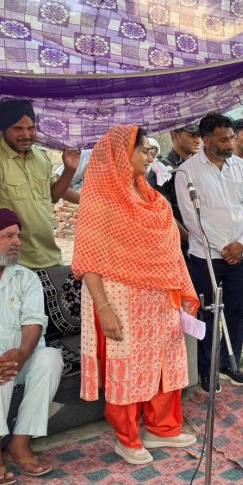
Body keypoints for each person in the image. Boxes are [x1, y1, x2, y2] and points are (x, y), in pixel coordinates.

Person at [73, 126, 199, 465]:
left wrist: (184, 291)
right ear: (119, 154)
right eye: (143, 150)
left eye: (151, 151)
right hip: (119, 300)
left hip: (159, 299)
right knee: (128, 371)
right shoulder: (98, 198)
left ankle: (161, 428)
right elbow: (88, 260)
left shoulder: (153, 198)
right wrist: (103, 309)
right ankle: (126, 438)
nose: (149, 156)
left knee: (165, 363)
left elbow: (171, 252)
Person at [0, 210, 63, 485]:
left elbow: (33, 322)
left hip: (20, 358)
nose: (17, 242)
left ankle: (20, 444)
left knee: (51, 357)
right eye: (9, 236)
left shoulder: (26, 278)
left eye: (18, 236)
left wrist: (21, 353)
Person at [176, 113, 243, 391]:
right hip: (207, 258)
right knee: (210, 313)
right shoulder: (187, 172)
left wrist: (241, 244)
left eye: (231, 138)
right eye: (223, 139)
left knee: (236, 312)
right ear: (207, 139)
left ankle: (230, 363)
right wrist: (223, 248)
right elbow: (192, 220)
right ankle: (206, 369)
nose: (230, 144)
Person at [0, 99, 80, 269]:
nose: (27, 135)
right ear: (3, 129)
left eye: (31, 128)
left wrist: (70, 169)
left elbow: (53, 196)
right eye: (18, 129)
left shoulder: (41, 156)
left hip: (49, 255)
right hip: (15, 260)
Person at [147, 123, 202, 260]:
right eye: (191, 135)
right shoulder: (161, 169)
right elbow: (164, 215)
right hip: (177, 246)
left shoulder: (201, 166)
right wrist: (192, 240)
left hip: (204, 240)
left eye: (199, 136)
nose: (197, 140)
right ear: (175, 135)